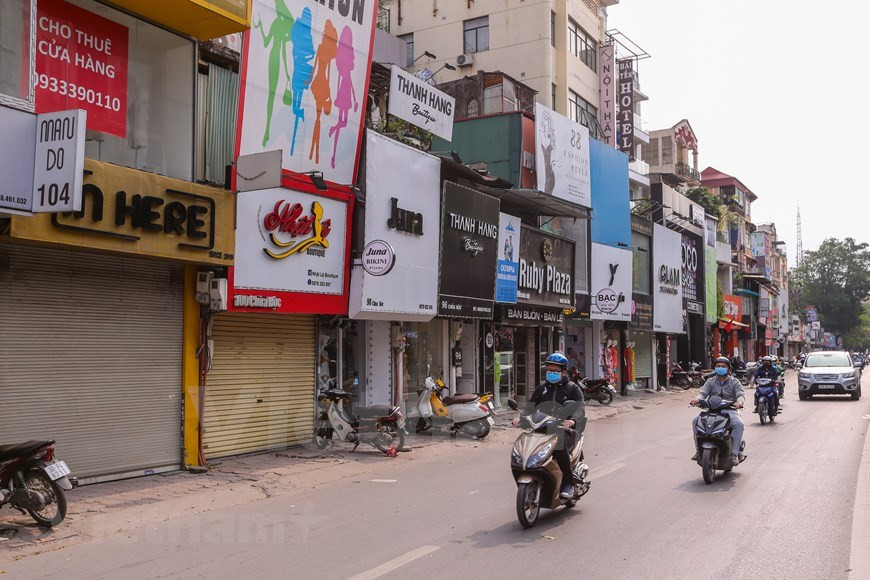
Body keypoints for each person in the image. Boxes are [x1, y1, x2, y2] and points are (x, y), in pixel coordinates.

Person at [512, 353, 585, 499]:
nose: (551, 373)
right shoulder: (542, 388)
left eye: (555, 371)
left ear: (563, 372)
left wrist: (572, 420)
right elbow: (531, 408)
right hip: (543, 427)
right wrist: (520, 418)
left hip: (565, 430)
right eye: (549, 370)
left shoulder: (572, 388)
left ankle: (568, 483)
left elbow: (579, 408)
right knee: (526, 443)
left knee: (559, 445)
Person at [691, 357, 745, 467]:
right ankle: (698, 451)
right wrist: (697, 399)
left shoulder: (735, 382)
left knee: (739, 424)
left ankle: (734, 454)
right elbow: (703, 393)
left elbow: (740, 394)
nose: (720, 368)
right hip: (712, 410)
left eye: (723, 366)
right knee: (695, 421)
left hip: (729, 410)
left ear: (729, 369)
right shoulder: (710, 381)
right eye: (718, 366)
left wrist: (739, 402)